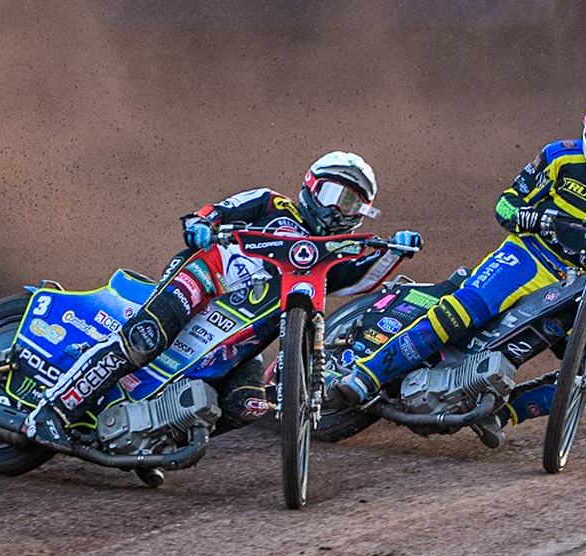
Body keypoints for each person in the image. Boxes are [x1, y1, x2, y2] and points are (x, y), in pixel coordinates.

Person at [330, 86, 586, 439]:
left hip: (578, 287)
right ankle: (368, 374)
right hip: (528, 255)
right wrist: (528, 217)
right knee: (466, 308)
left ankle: (501, 414)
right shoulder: (559, 157)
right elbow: (505, 204)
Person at [21, 152, 421, 446]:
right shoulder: (272, 203)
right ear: (310, 187)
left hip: (243, 334)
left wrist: (395, 251)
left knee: (248, 404)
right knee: (145, 337)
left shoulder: (330, 258)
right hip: (205, 278)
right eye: (332, 194)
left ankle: (156, 438)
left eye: (350, 204)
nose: (337, 209)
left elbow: (357, 280)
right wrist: (200, 223)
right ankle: (51, 411)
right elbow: (217, 211)